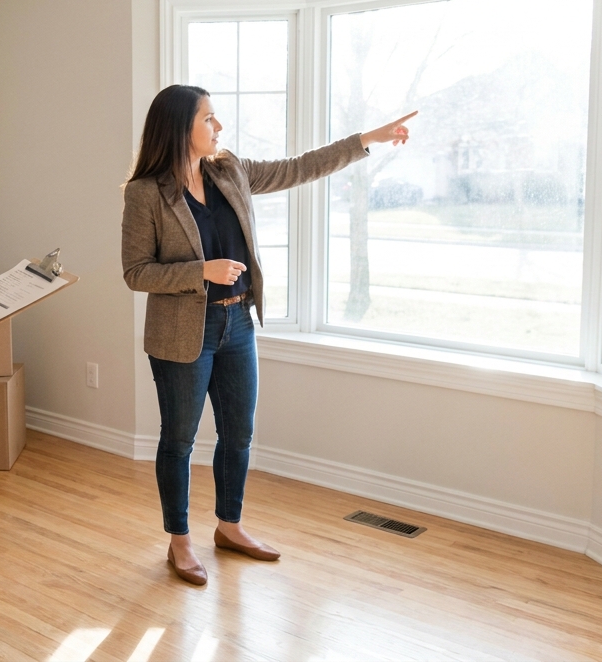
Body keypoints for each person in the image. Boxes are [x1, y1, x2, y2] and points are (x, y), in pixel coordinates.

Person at [121, 84, 415, 586]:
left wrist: (369, 139)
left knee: (238, 433)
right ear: (179, 129)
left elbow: (299, 166)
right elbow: (136, 272)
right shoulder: (145, 193)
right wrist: (201, 271)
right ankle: (180, 541)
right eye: (209, 119)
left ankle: (229, 527)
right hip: (182, 334)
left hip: (237, 325)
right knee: (179, 440)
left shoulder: (229, 170)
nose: (219, 127)